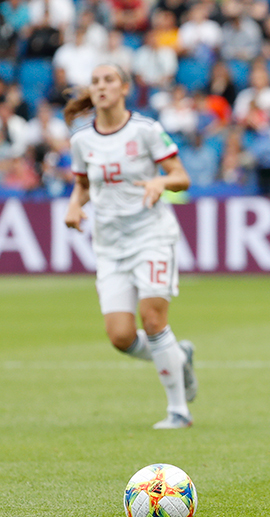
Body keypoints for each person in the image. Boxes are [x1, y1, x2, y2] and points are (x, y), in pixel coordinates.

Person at [62, 63, 197, 430]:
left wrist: (159, 183)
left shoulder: (146, 130)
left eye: (109, 80)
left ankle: (178, 411)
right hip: (109, 243)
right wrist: (75, 205)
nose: (101, 87)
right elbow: (84, 185)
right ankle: (178, 356)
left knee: (153, 319)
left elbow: (181, 176)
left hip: (151, 234)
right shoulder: (81, 140)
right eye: (96, 82)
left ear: (124, 88)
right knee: (120, 336)